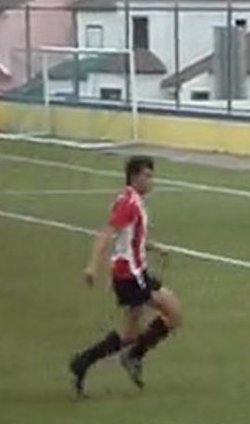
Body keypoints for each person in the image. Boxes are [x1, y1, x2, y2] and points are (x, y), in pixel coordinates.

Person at [69, 156, 182, 397]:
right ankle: (118, 358)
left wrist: (153, 248)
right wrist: (92, 266)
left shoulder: (132, 201)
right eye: (147, 176)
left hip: (134, 272)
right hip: (129, 275)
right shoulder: (129, 203)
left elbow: (130, 238)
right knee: (166, 315)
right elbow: (106, 235)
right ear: (134, 177)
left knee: (151, 322)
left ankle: (91, 361)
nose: (151, 181)